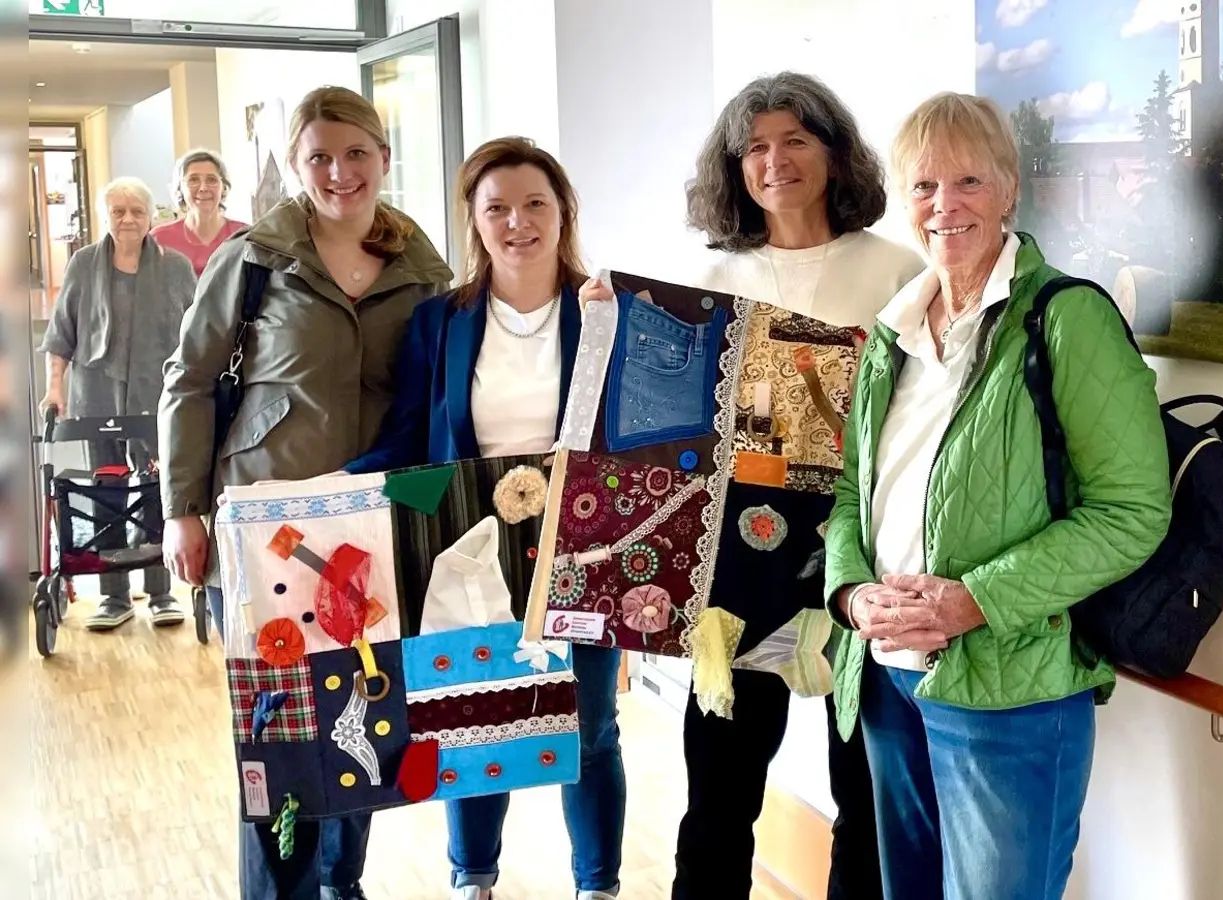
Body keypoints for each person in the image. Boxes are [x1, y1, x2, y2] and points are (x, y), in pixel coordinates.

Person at [821, 92, 1173, 900]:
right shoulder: (893, 335)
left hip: (1010, 689)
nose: (945, 205)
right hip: (886, 680)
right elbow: (850, 495)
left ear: (1010, 188)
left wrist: (973, 600)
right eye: (923, 187)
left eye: (969, 181)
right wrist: (850, 593)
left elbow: (1132, 513)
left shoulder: (1068, 319)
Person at [158, 85, 453, 900]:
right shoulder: (253, 257)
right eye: (319, 155)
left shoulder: (424, 267)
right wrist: (182, 508)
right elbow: (186, 381)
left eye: (356, 152)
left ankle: (341, 884)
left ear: (384, 159)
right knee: (279, 741)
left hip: (373, 535)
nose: (339, 171)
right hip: (267, 532)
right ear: (295, 164)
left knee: (363, 720)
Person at [341, 137, 626, 900]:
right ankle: (475, 879)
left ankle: (597, 885)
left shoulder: (608, 312)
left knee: (590, 728)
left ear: (564, 211)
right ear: (473, 218)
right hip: (467, 543)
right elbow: (409, 439)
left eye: (535, 203)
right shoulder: (441, 321)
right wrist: (338, 488)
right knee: (472, 719)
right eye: (496, 206)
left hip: (584, 548)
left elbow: (643, 437)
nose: (517, 222)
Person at [674, 71, 925, 900]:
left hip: (863, 556)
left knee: (866, 795)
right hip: (737, 571)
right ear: (733, 167)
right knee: (718, 796)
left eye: (795, 140)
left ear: (835, 152)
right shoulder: (709, 280)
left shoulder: (898, 272)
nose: (774, 161)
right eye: (754, 147)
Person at [39, 176, 197, 631]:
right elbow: (62, 331)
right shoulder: (84, 263)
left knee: (156, 490)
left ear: (152, 217)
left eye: (136, 211)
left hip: (157, 398)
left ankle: (162, 592)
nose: (127, 219)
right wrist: (56, 387)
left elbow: (195, 336)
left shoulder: (176, 267)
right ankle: (113, 596)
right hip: (97, 394)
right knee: (105, 492)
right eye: (117, 211)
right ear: (105, 216)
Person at [151, 148, 248, 275]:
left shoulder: (244, 236)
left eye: (212, 180)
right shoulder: (159, 239)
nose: (203, 188)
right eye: (193, 180)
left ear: (223, 187)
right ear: (180, 188)